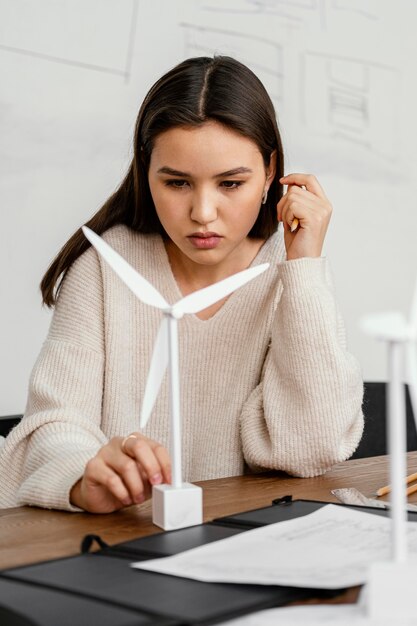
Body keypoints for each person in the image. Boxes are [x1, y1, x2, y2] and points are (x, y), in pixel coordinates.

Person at [0, 56, 364, 513]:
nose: (203, 212)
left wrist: (306, 268)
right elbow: (55, 423)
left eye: (231, 183)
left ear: (271, 173)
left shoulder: (290, 276)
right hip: (122, 539)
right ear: (146, 171)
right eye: (176, 183)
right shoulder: (104, 268)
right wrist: (83, 474)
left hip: (248, 541)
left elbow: (310, 448)